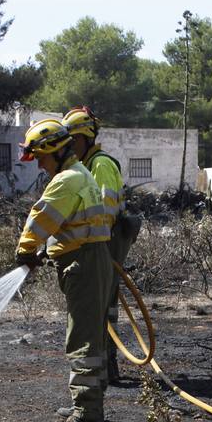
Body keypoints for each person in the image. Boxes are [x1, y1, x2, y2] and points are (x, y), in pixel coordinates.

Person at [14, 119, 115, 422]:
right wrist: (50, 249)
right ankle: (88, 405)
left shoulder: (65, 181)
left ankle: (87, 416)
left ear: (54, 152)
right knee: (93, 334)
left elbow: (41, 219)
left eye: (41, 158)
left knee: (82, 338)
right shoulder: (81, 174)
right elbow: (74, 225)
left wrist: (27, 251)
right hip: (91, 259)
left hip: (82, 264)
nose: (41, 166)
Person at [63, 106, 140, 386]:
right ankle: (106, 367)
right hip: (101, 241)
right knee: (102, 306)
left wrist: (90, 244)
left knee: (101, 306)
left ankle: (105, 368)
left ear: (86, 138)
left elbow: (105, 209)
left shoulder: (101, 164)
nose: (69, 148)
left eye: (72, 141)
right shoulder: (87, 165)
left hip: (106, 241)